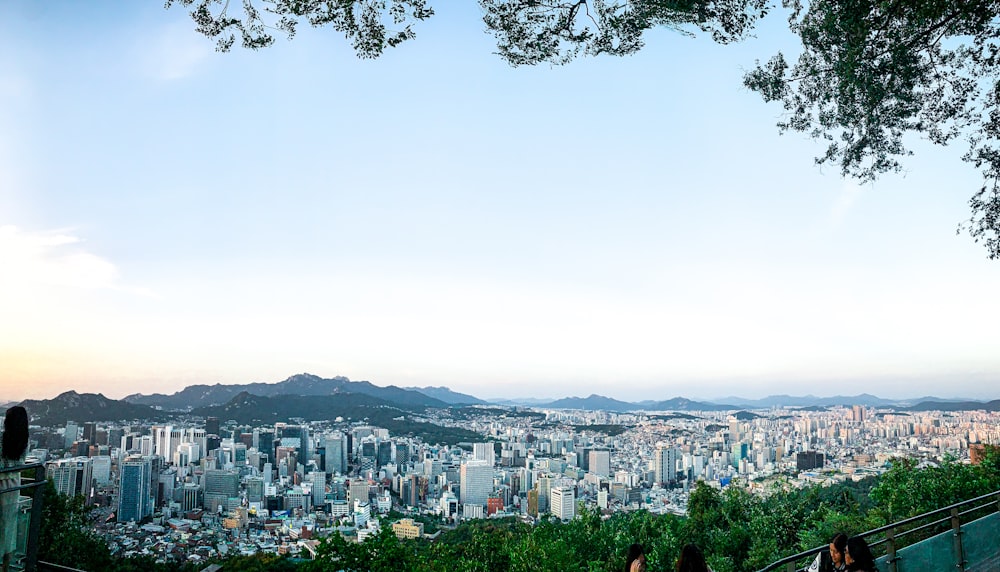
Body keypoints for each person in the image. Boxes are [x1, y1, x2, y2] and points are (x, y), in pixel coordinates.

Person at [0, 407, 28, 572]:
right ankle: (5, 566)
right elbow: (21, 462)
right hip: (15, 484)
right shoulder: (24, 440)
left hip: (1, 482)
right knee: (9, 525)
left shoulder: (2, 438)